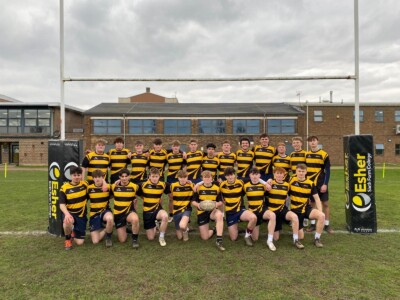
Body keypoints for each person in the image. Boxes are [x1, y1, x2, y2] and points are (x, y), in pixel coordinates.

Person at [289, 163, 325, 248]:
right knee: (301, 237)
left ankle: (317, 239)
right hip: (296, 210)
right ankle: (296, 233)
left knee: (322, 216)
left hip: (306, 208)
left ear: (306, 172)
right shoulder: (291, 181)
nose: (301, 173)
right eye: (299, 171)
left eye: (303, 171)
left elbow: (317, 199)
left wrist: (320, 211)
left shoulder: (310, 183)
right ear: (296, 172)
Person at [266, 167, 303, 249]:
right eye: (277, 173)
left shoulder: (287, 185)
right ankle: (273, 232)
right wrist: (267, 182)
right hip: (273, 212)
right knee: (276, 238)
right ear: (274, 174)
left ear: (284, 175)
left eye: (281, 173)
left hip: (283, 209)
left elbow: (292, 194)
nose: (279, 175)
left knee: (294, 217)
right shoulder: (270, 183)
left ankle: (296, 240)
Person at [219, 167, 257, 246]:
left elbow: (255, 178)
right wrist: (198, 184)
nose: (230, 177)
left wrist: (267, 182)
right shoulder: (222, 185)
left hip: (240, 210)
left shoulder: (241, 182)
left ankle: (247, 236)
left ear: (235, 175)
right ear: (225, 176)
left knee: (253, 218)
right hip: (230, 213)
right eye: (228, 175)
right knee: (233, 238)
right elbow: (209, 181)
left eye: (232, 175)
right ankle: (237, 229)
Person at [243, 167, 277, 251]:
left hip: (262, 210)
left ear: (260, 175)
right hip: (252, 212)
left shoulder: (264, 185)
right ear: (249, 175)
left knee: (272, 215)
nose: (254, 177)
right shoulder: (245, 185)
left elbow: (270, 190)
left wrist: (268, 183)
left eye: (256, 174)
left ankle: (269, 241)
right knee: (255, 239)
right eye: (252, 174)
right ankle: (248, 232)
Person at [305, 136, 333, 234]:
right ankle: (312, 224)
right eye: (310, 141)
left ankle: (327, 225)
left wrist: (325, 184)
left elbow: (328, 171)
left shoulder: (324, 154)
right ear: (308, 143)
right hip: (311, 184)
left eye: (314, 141)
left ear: (317, 142)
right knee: (312, 204)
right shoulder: (306, 155)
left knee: (325, 204)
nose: (312, 143)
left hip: (321, 183)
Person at [192, 170, 225, 251]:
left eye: (209, 177)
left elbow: (221, 201)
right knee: (205, 237)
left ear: (212, 178)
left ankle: (219, 240)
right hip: (202, 212)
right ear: (202, 178)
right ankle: (214, 230)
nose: (207, 179)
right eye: (205, 177)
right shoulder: (198, 188)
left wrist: (216, 204)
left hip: (212, 211)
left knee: (219, 215)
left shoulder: (217, 188)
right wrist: (198, 205)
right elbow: (193, 201)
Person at [137, 167, 170, 246]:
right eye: (152, 176)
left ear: (159, 176)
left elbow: (177, 184)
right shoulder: (142, 185)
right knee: (151, 238)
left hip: (157, 209)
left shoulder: (163, 184)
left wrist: (190, 182)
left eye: (156, 176)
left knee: (165, 216)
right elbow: (133, 189)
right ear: (149, 177)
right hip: (147, 212)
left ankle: (161, 237)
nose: (154, 178)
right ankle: (156, 223)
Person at [59, 166, 88, 250]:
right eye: (74, 175)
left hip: (81, 215)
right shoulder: (64, 188)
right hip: (70, 213)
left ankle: (73, 232)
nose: (76, 177)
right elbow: (61, 204)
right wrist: (67, 214)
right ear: (71, 176)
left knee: (80, 243)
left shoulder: (85, 184)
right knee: (67, 222)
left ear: (81, 176)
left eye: (78, 175)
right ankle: (68, 240)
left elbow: (98, 183)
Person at [111, 168, 141, 248]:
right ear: (119, 177)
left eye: (126, 176)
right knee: (122, 240)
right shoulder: (114, 186)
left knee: (135, 219)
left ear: (129, 177)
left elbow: (144, 194)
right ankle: (127, 229)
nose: (124, 178)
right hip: (118, 214)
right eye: (122, 176)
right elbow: (106, 193)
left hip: (129, 212)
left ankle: (134, 240)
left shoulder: (135, 187)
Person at [87, 169, 114, 247]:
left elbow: (117, 191)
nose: (97, 179)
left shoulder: (108, 187)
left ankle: (108, 238)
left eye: (99, 177)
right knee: (95, 241)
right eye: (95, 177)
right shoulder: (89, 188)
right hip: (94, 214)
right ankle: (106, 228)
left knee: (110, 218)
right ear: (93, 178)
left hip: (105, 211)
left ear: (103, 177)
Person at [169, 170, 194, 241]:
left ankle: (185, 230)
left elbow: (200, 187)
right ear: (178, 177)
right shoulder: (173, 186)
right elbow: (171, 197)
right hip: (176, 211)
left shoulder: (191, 185)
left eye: (185, 177)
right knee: (179, 237)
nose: (183, 179)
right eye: (181, 177)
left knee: (182, 226)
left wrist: (191, 183)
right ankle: (186, 227)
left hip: (186, 209)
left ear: (187, 177)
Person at [166, 140, 186, 222]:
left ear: (179, 147)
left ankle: (181, 214)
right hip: (170, 178)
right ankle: (171, 215)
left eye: (177, 146)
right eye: (174, 146)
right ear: (172, 147)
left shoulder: (182, 155)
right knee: (171, 198)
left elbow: (185, 165)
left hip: (179, 178)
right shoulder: (167, 155)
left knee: (180, 197)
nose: (175, 148)